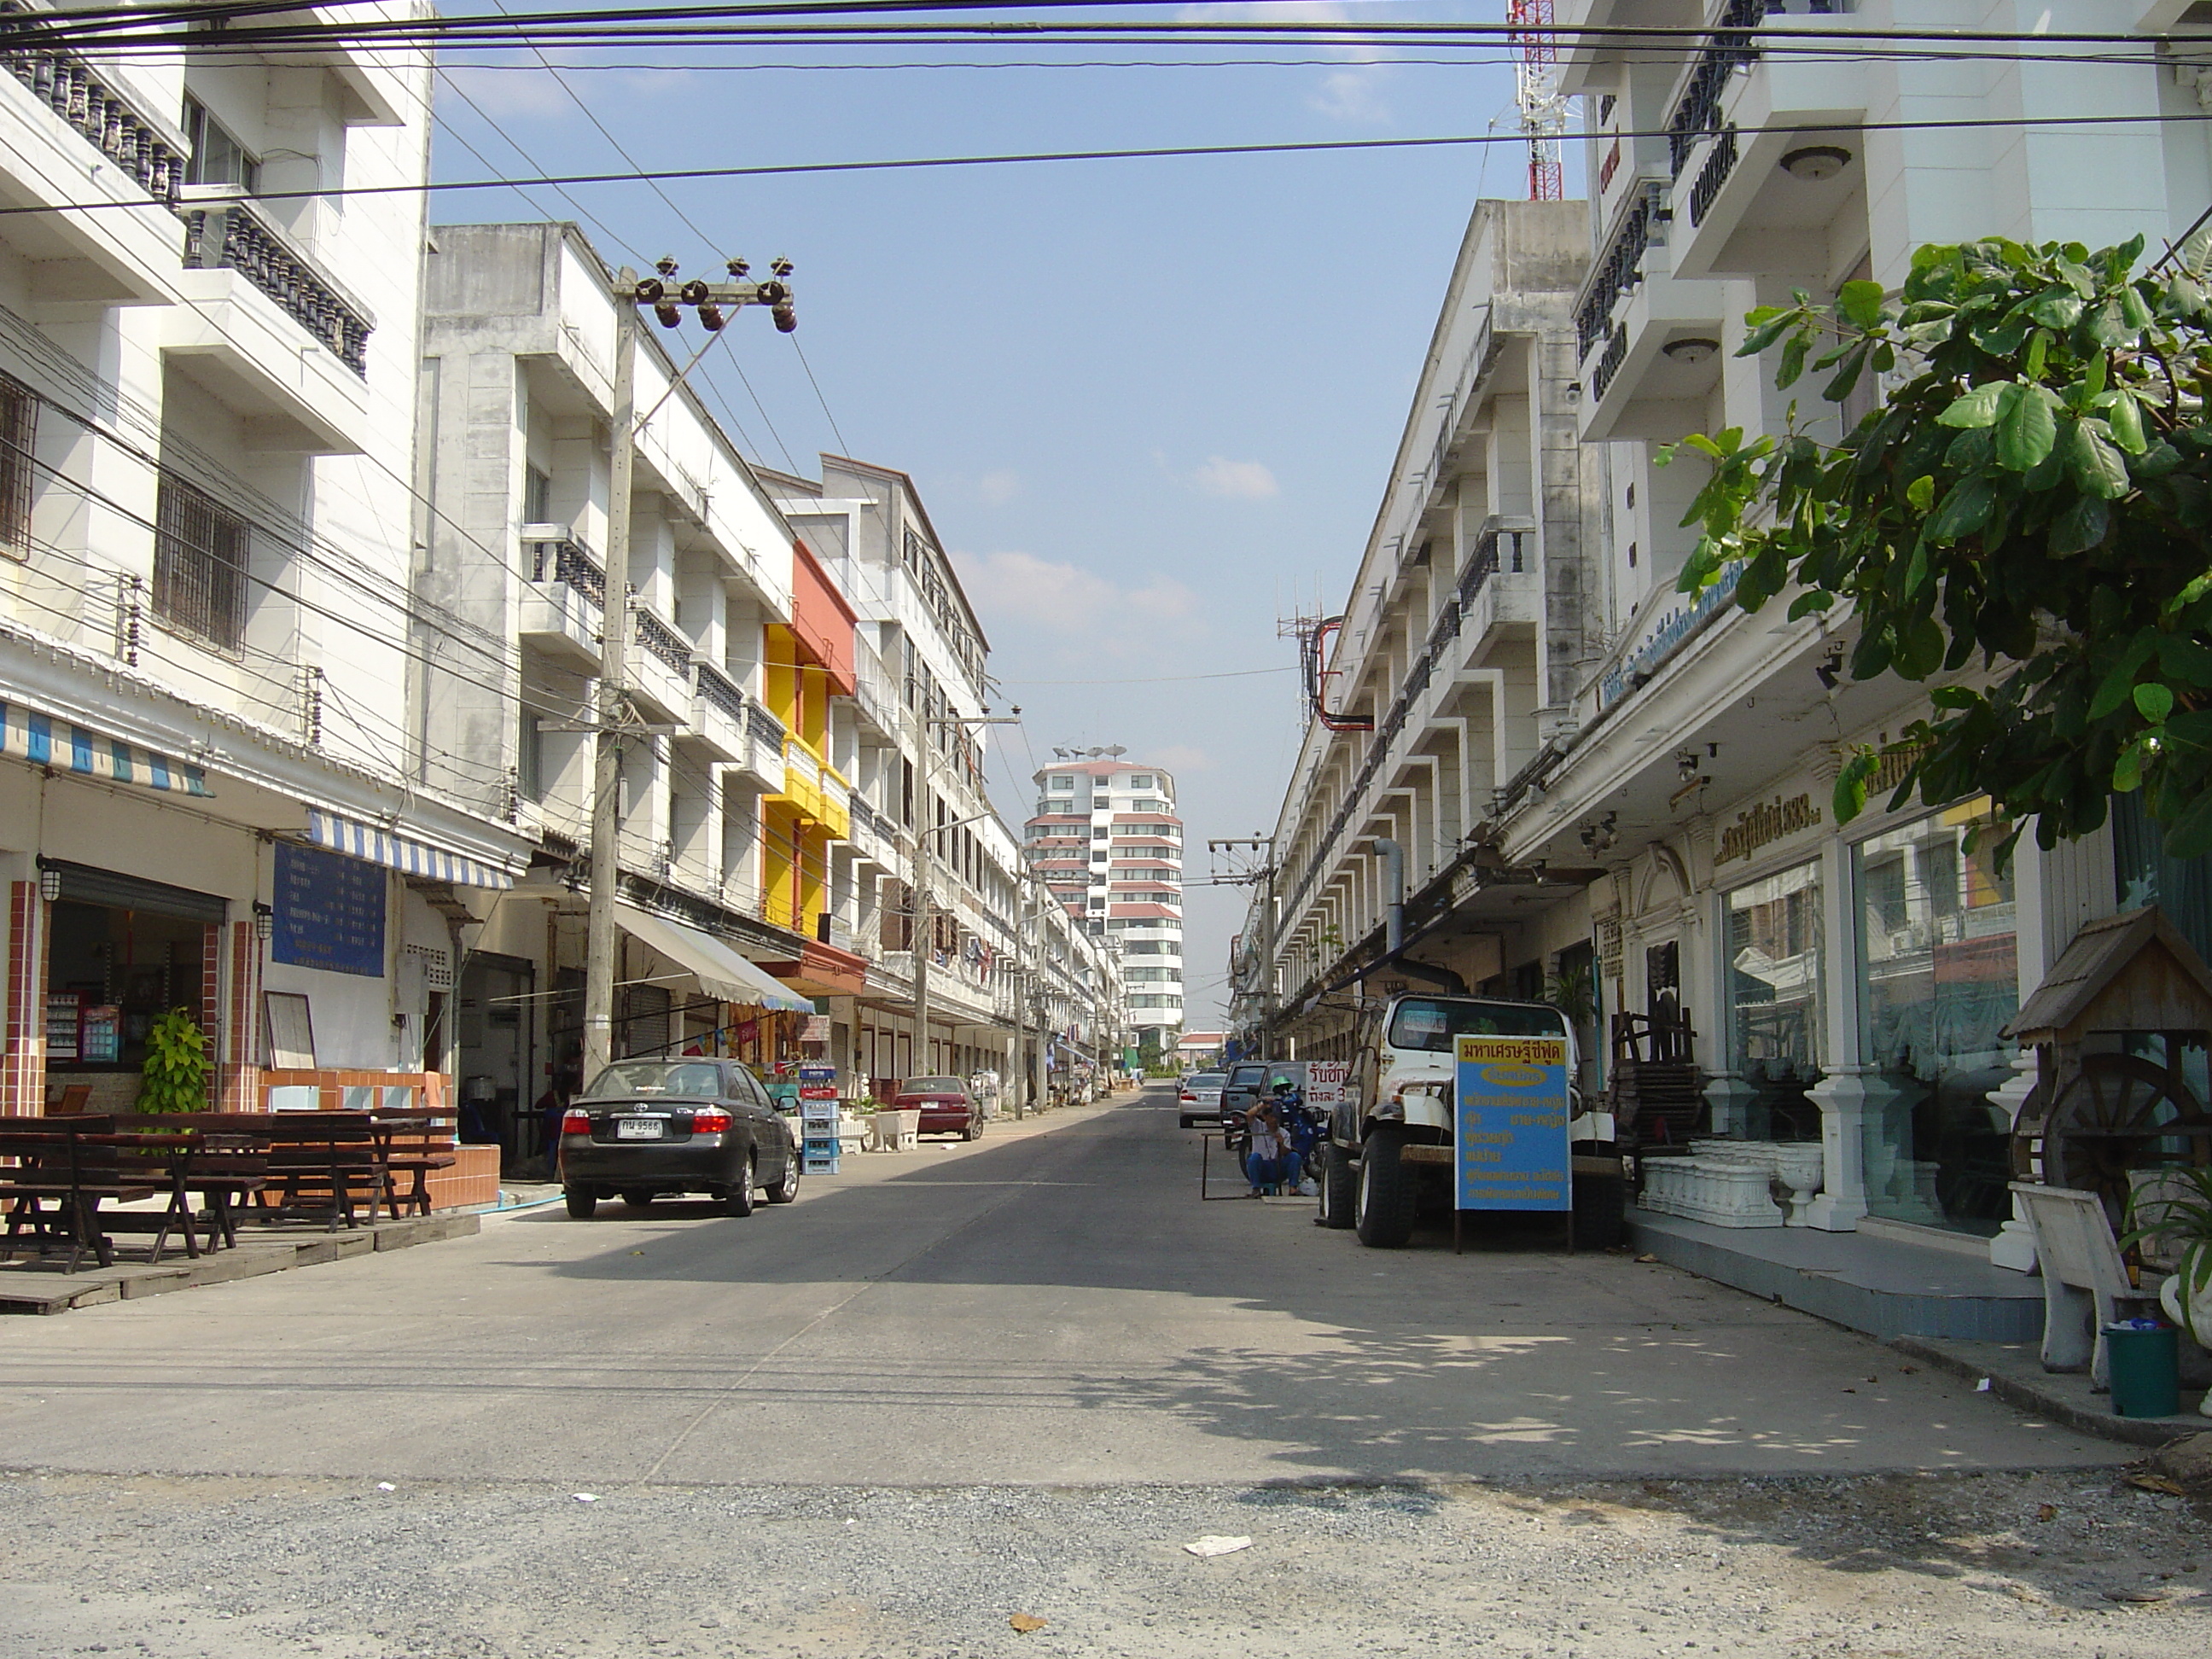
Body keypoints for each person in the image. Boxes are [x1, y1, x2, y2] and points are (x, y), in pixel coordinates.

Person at [1242, 1097, 1300, 1196]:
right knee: (1254, 1157)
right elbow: (1249, 1115)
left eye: (1276, 1118)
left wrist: (1281, 1144)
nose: (1274, 1120)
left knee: (1295, 1157)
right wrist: (1262, 1105)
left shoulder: (1283, 1133)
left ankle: (1293, 1188)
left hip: (1277, 1167)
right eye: (1272, 1117)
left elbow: (1285, 1153)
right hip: (1262, 1166)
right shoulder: (1258, 1127)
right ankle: (1256, 1188)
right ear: (1265, 1117)